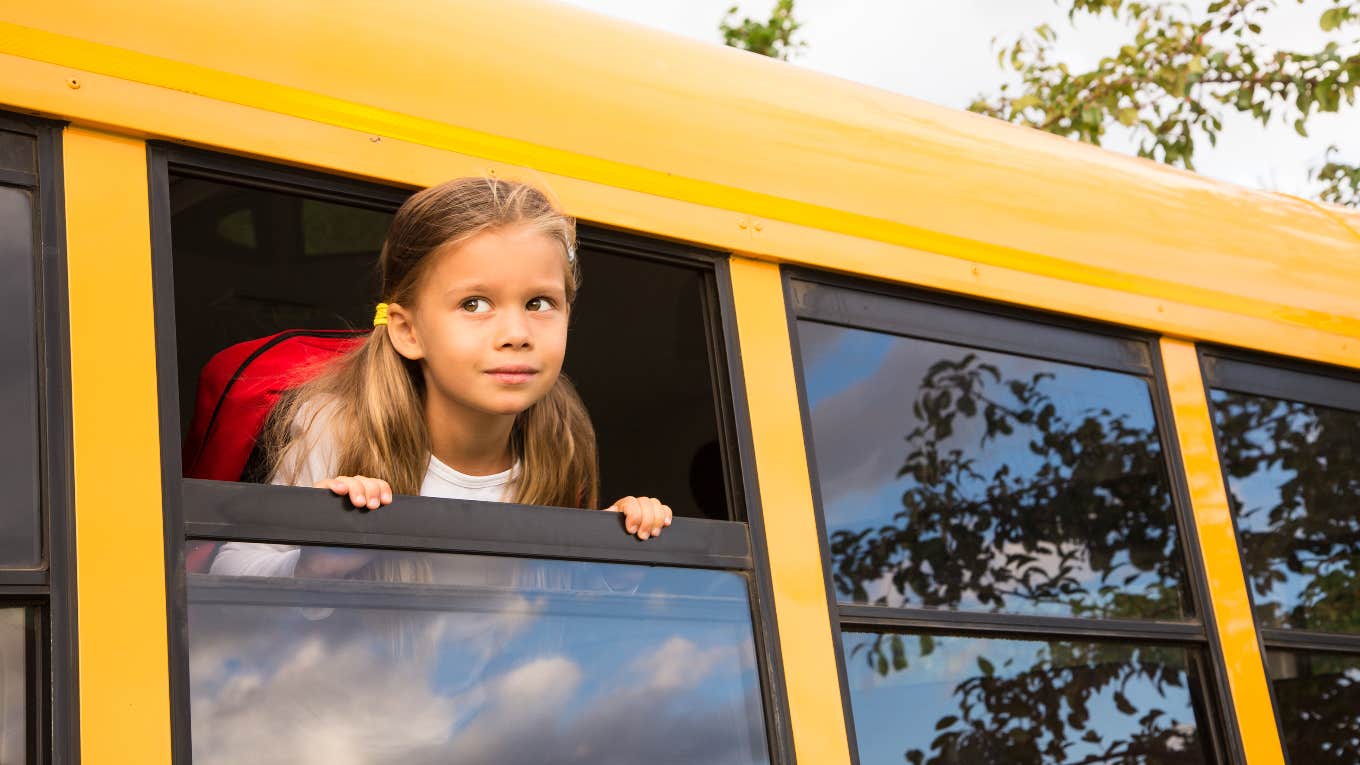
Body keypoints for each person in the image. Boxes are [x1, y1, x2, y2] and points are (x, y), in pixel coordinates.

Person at [210, 177, 673, 578]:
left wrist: (612, 558)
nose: (516, 334)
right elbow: (229, 570)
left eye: (539, 303)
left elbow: (543, 604)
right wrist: (312, 562)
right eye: (474, 304)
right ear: (408, 331)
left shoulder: (560, 440)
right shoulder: (337, 429)